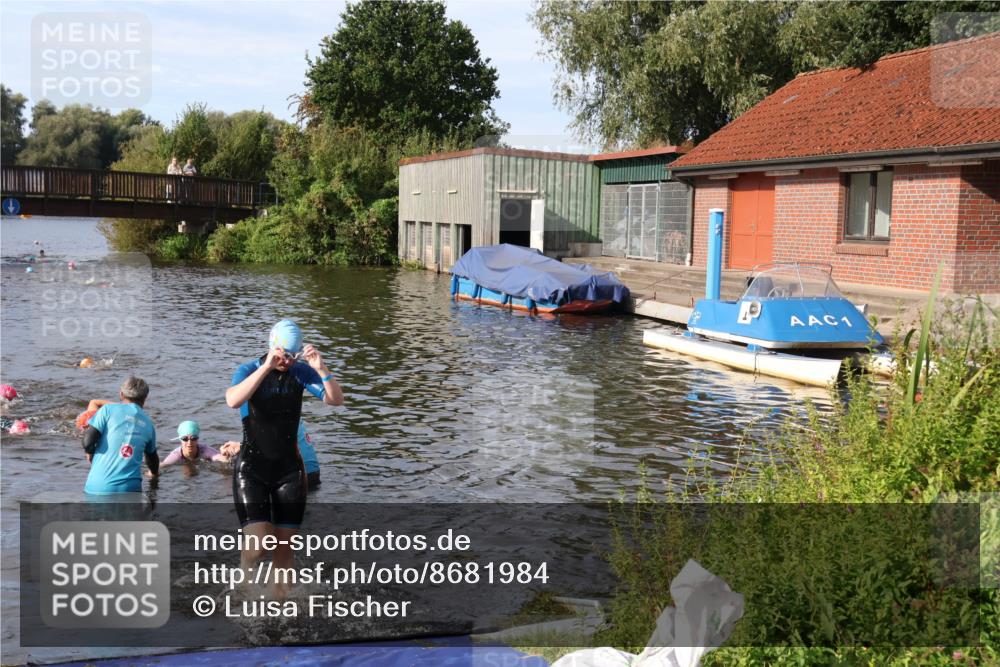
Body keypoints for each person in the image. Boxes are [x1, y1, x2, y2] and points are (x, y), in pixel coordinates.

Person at [225, 319, 343, 594]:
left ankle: (279, 610)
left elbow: (336, 400)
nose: (287, 361)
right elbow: (233, 400)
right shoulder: (249, 369)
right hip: (252, 469)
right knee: (259, 545)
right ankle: (244, 577)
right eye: (283, 355)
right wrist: (267, 366)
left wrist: (321, 369)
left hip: (289, 471)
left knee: (284, 547)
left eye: (293, 355)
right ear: (272, 347)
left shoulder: (300, 372)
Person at [82, 377, 158, 495]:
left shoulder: (107, 410)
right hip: (131, 490)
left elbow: (88, 441)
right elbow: (152, 459)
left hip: (98, 488)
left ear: (121, 394)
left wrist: (90, 452)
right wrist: (154, 474)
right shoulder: (148, 424)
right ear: (145, 398)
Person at [220, 419, 321, 490]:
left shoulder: (269, 413)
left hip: (298, 477)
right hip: (313, 474)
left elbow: (269, 445)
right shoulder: (290, 409)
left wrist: (239, 446)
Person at [160, 420, 235, 466]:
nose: (189, 442)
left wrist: (225, 455)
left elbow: (220, 458)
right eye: (185, 439)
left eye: (193, 438)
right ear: (180, 439)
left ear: (197, 438)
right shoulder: (176, 455)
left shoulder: (204, 450)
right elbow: (162, 465)